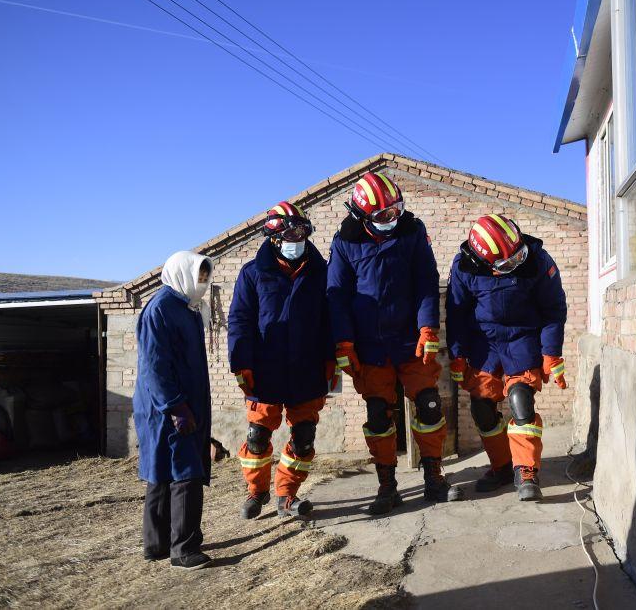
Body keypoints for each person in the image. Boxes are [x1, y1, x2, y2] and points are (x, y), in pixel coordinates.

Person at [327, 171, 463, 514]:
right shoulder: (344, 243)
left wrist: (428, 328)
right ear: (362, 216)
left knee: (430, 405)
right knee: (378, 416)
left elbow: (426, 283)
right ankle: (387, 486)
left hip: (410, 341)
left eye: (396, 209)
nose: (393, 218)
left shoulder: (412, 232)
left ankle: (434, 477)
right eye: (384, 214)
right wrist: (344, 343)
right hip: (370, 347)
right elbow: (337, 297)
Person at [445, 214, 569, 501]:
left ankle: (526, 471)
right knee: (482, 408)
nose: (515, 264)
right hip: (484, 342)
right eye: (506, 264)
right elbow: (457, 313)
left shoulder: (538, 260)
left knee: (520, 400)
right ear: (483, 262)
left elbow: (554, 309)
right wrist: (458, 353)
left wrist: (551, 352)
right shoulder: (463, 267)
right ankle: (501, 466)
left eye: (518, 256)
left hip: (522, 336)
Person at [228, 201, 338, 520]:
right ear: (274, 238)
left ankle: (286, 494)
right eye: (289, 235)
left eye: (301, 234)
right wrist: (241, 364)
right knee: (257, 436)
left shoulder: (323, 272)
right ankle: (256, 490)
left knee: (304, 438)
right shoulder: (252, 274)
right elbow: (239, 321)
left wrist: (334, 362)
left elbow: (332, 320)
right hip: (265, 371)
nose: (296, 242)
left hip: (308, 370)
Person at [134, 250, 214, 570]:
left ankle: (156, 545)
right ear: (182, 273)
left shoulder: (186, 307)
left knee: (163, 473)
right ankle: (184, 548)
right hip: (169, 407)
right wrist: (176, 406)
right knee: (185, 472)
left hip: (176, 405)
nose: (203, 283)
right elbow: (154, 366)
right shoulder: (162, 309)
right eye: (199, 276)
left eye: (206, 277)